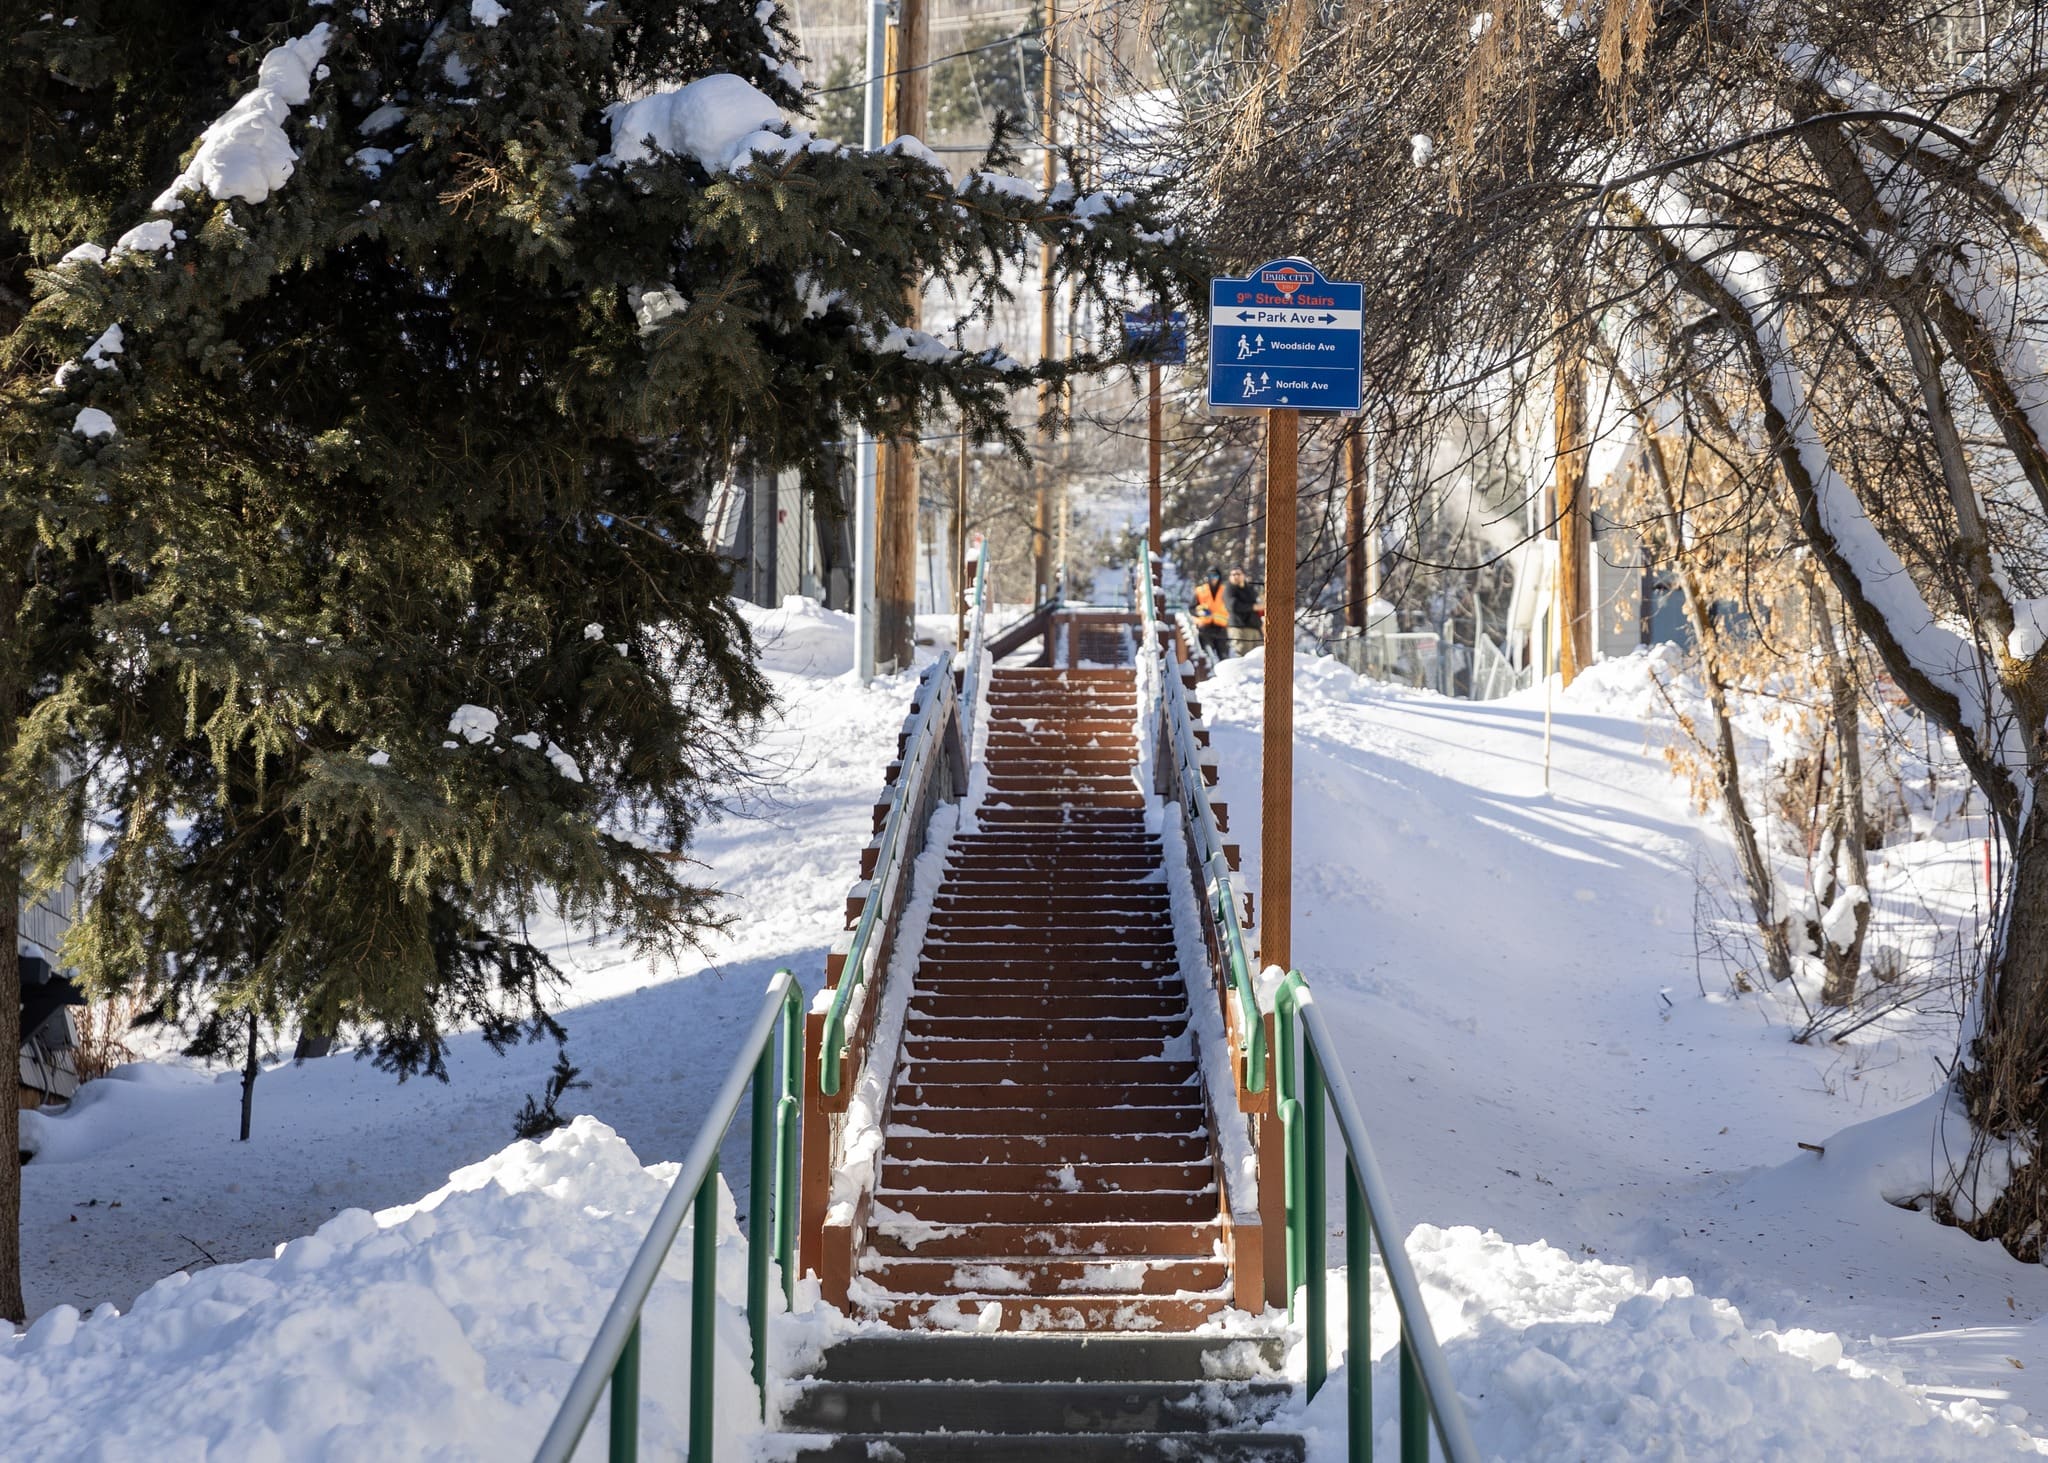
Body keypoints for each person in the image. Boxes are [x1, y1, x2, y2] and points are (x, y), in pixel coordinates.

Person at [1192, 567, 1232, 661]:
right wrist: (1199, 612)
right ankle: (1210, 675)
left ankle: (1223, 675)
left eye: (1216, 575)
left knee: (1224, 657)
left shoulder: (1225, 591)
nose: (1213, 578)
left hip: (1221, 628)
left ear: (1219, 577)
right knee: (1207, 657)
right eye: (1211, 575)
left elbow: (1232, 607)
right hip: (1205, 628)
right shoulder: (1200, 590)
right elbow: (1191, 608)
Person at [1224, 567, 1263, 657]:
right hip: (1240, 628)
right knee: (1243, 658)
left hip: (1255, 628)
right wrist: (1253, 607)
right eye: (1233, 574)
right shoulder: (1229, 589)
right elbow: (1233, 605)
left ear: (1243, 575)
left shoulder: (1249, 588)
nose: (1236, 576)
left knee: (1258, 658)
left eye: (1238, 574)